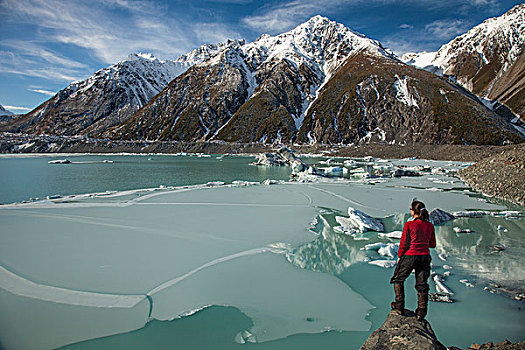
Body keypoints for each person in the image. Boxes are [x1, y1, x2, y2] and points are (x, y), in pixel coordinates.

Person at [390, 199, 436, 321]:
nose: (409, 211)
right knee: (422, 284)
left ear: (414, 211)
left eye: (410, 209)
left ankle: (399, 305)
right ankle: (421, 312)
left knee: (398, 279)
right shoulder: (430, 226)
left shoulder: (409, 225)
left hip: (411, 255)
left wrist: (400, 256)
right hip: (425, 257)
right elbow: (432, 244)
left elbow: (404, 243)